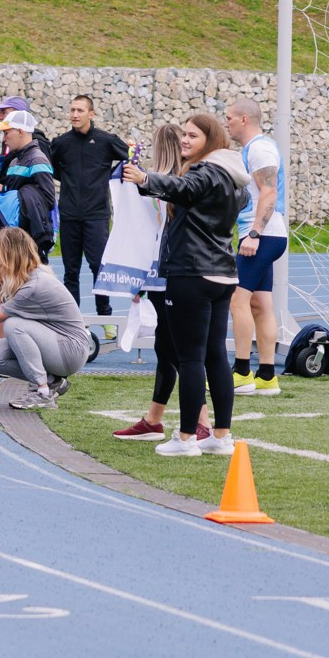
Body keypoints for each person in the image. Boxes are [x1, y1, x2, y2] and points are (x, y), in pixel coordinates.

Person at [122, 113, 247, 458]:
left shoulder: (205, 172)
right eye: (183, 136)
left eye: (192, 136)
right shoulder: (232, 176)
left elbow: (185, 188)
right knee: (215, 357)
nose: (185, 141)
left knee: (191, 359)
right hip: (222, 272)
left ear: (211, 139)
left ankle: (187, 437)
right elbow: (237, 201)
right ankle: (221, 436)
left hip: (191, 273)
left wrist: (146, 178)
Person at [110, 124, 203, 443]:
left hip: (175, 273)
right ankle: (154, 419)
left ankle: (201, 419)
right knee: (167, 347)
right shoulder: (167, 182)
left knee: (180, 351)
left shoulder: (176, 184)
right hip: (165, 271)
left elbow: (155, 230)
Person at [0, 226, 90, 407]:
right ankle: (52, 380)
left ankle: (43, 393)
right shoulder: (24, 275)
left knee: (14, 325)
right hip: (57, 343)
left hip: (70, 351)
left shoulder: (33, 286)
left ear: (10, 254)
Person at [223, 96, 287, 396]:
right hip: (266, 234)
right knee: (261, 304)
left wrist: (254, 233)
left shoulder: (260, 148)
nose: (227, 123)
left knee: (237, 300)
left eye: (230, 118)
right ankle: (266, 376)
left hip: (263, 234)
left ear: (244, 120)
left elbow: (269, 192)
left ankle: (242, 372)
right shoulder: (255, 148)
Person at [50, 95, 129, 317]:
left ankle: (105, 315)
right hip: (69, 214)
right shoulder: (61, 143)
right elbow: (50, 168)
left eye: (80, 110)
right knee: (70, 272)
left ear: (90, 114)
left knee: (99, 268)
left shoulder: (107, 141)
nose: (74, 114)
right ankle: (72, 320)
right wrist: (68, 180)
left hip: (97, 215)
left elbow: (131, 160)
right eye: (72, 110)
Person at [0, 108, 58, 266]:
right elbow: (12, 192)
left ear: (20, 131)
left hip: (29, 239)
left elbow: (47, 199)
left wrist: (17, 196)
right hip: (14, 236)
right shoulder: (14, 161)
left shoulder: (38, 159)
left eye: (7, 132)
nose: (4, 138)